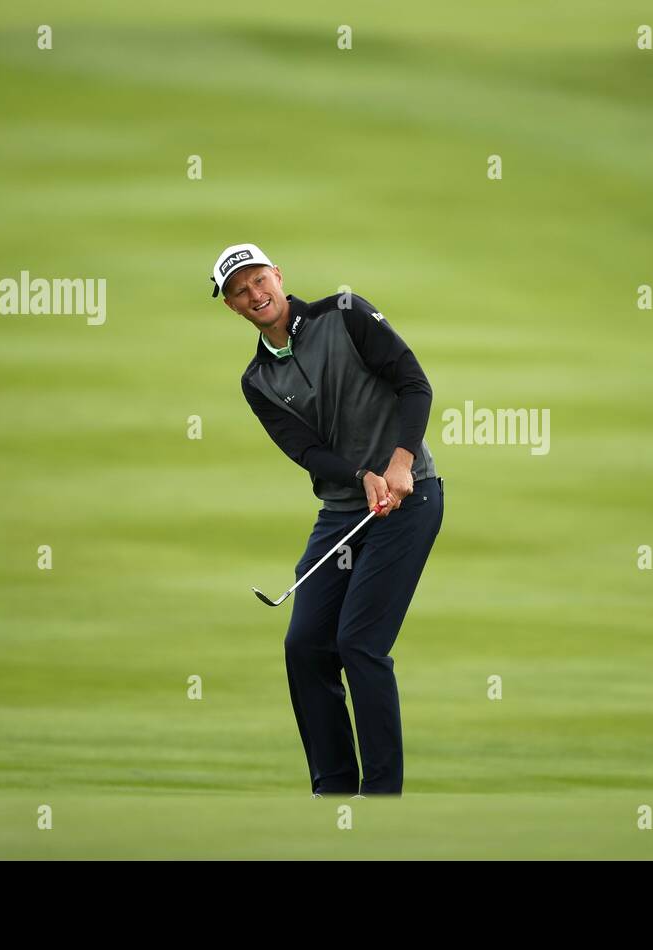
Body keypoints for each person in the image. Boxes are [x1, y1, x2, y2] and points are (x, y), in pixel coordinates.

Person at [212, 242, 443, 797]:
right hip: (345, 513)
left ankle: (382, 796)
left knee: (359, 643)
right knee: (306, 646)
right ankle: (334, 790)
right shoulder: (256, 381)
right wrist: (361, 477)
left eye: (259, 279)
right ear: (232, 307)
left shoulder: (345, 313)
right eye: (240, 291)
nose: (255, 293)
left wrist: (400, 462)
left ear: (278, 275)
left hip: (410, 501)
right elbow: (308, 452)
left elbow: (415, 383)